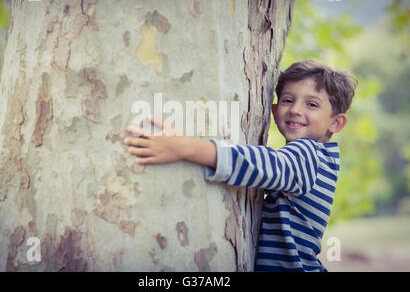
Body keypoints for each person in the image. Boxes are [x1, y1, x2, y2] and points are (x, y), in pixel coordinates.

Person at [123, 60, 357, 271]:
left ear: (336, 123)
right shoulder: (311, 160)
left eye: (312, 105)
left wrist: (185, 147)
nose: (295, 109)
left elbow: (258, 163)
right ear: (274, 113)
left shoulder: (310, 156)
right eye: (288, 100)